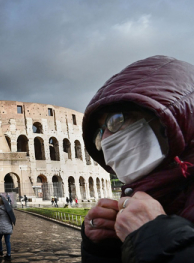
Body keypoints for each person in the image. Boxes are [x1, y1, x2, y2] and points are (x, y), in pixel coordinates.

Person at [81, 55, 194, 262]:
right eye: (100, 132)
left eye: (117, 119)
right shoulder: (154, 195)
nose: (105, 140)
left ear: (169, 119)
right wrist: (103, 249)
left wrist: (157, 238)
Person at [0, 196, 13, 261]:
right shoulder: (9, 209)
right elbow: (12, 216)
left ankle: (1, 251)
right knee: (7, 241)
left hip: (0, 227)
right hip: (8, 227)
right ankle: (8, 254)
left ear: (0, 202)